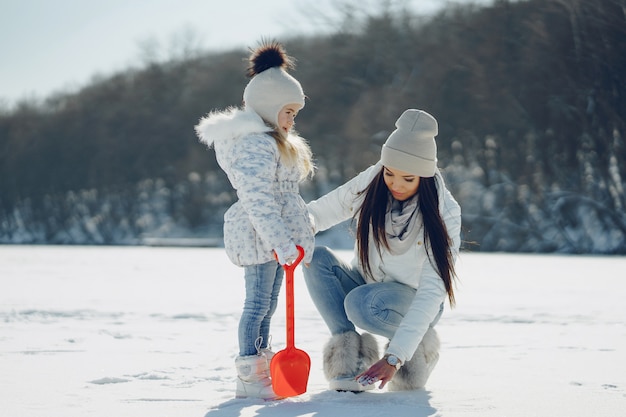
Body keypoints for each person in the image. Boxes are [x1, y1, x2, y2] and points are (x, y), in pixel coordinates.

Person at [304, 109, 461, 392]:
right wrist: (291, 231)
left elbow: (432, 290)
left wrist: (395, 355)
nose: (396, 184)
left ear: (424, 177)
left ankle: (417, 350)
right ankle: (350, 358)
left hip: (413, 300)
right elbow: (324, 210)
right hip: (370, 284)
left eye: (408, 179)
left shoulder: (444, 212)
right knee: (315, 257)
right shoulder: (374, 180)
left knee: (361, 304)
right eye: (390, 173)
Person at [194, 40, 315, 400]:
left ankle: (262, 363)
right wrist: (279, 241)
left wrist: (291, 236)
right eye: (288, 111)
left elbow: (284, 196)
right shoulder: (254, 144)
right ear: (268, 106)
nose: (293, 119)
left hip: (278, 238)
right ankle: (249, 373)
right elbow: (258, 198)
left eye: (296, 112)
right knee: (257, 303)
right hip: (261, 235)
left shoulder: (274, 141)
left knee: (270, 304)